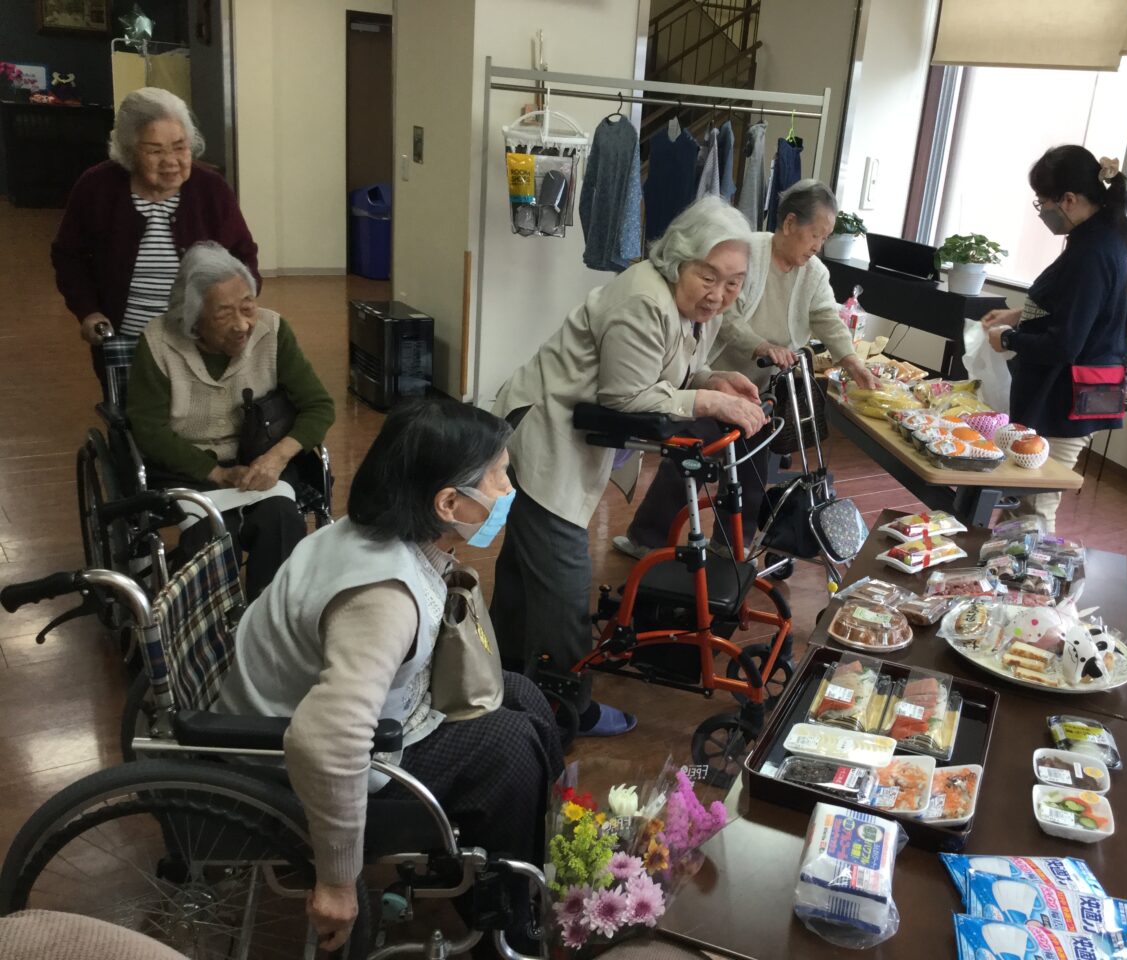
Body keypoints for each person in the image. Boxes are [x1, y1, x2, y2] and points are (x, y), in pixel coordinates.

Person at [212, 397, 563, 955]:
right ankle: (505, 930)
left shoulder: (373, 532)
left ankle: (536, 876)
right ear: (448, 502)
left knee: (521, 695)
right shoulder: (383, 597)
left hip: (333, 711)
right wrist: (336, 881)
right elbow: (325, 743)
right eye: (499, 477)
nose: (508, 490)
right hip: (288, 763)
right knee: (509, 749)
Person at [490, 195, 768, 738]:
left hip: (570, 435)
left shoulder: (696, 309)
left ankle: (504, 678)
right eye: (708, 276)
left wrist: (712, 379)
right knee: (563, 578)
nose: (719, 294)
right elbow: (625, 395)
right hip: (546, 433)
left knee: (527, 570)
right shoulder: (643, 299)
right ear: (678, 261)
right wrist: (709, 401)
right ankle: (569, 709)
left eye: (734, 282)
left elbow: (672, 366)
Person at [615, 179, 879, 560]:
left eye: (824, 238)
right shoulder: (745, 253)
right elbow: (725, 316)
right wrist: (762, 346)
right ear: (790, 223)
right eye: (815, 234)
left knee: (752, 472)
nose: (818, 245)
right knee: (689, 458)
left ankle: (730, 548)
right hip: (712, 377)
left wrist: (851, 360)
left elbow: (826, 317)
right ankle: (645, 539)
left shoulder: (814, 273)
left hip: (759, 390)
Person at [127, 242, 333, 600]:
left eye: (247, 307)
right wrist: (217, 474)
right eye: (223, 314)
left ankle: (268, 618)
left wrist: (276, 458)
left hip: (260, 459)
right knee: (212, 533)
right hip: (186, 469)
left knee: (282, 519)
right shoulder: (159, 343)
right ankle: (211, 624)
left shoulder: (272, 331)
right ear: (193, 319)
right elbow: (149, 429)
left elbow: (319, 406)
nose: (242, 325)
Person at [50, 87, 259, 387]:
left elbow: (243, 254)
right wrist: (88, 312)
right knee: (137, 409)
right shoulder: (96, 187)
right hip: (128, 343)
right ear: (129, 151)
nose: (171, 161)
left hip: (204, 341)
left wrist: (240, 306)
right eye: (155, 150)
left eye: (180, 147)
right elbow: (68, 256)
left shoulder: (211, 189)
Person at [981, 145, 1127, 533]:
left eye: (1042, 202)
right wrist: (1019, 315)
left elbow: (1066, 343)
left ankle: (1029, 572)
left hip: (1067, 398)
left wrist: (1010, 339)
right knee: (1023, 497)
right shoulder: (1096, 238)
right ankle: (1005, 565)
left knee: (1035, 504)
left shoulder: (1093, 252)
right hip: (1068, 391)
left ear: (1068, 199)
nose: (1042, 211)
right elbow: (1074, 308)